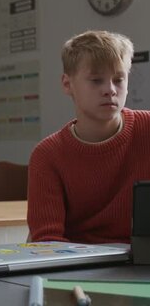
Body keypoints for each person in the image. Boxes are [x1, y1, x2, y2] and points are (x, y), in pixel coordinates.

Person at [27, 30, 150, 244]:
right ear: (67, 84)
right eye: (96, 80)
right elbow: (48, 242)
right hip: (76, 268)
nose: (110, 90)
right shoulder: (47, 155)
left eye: (118, 79)